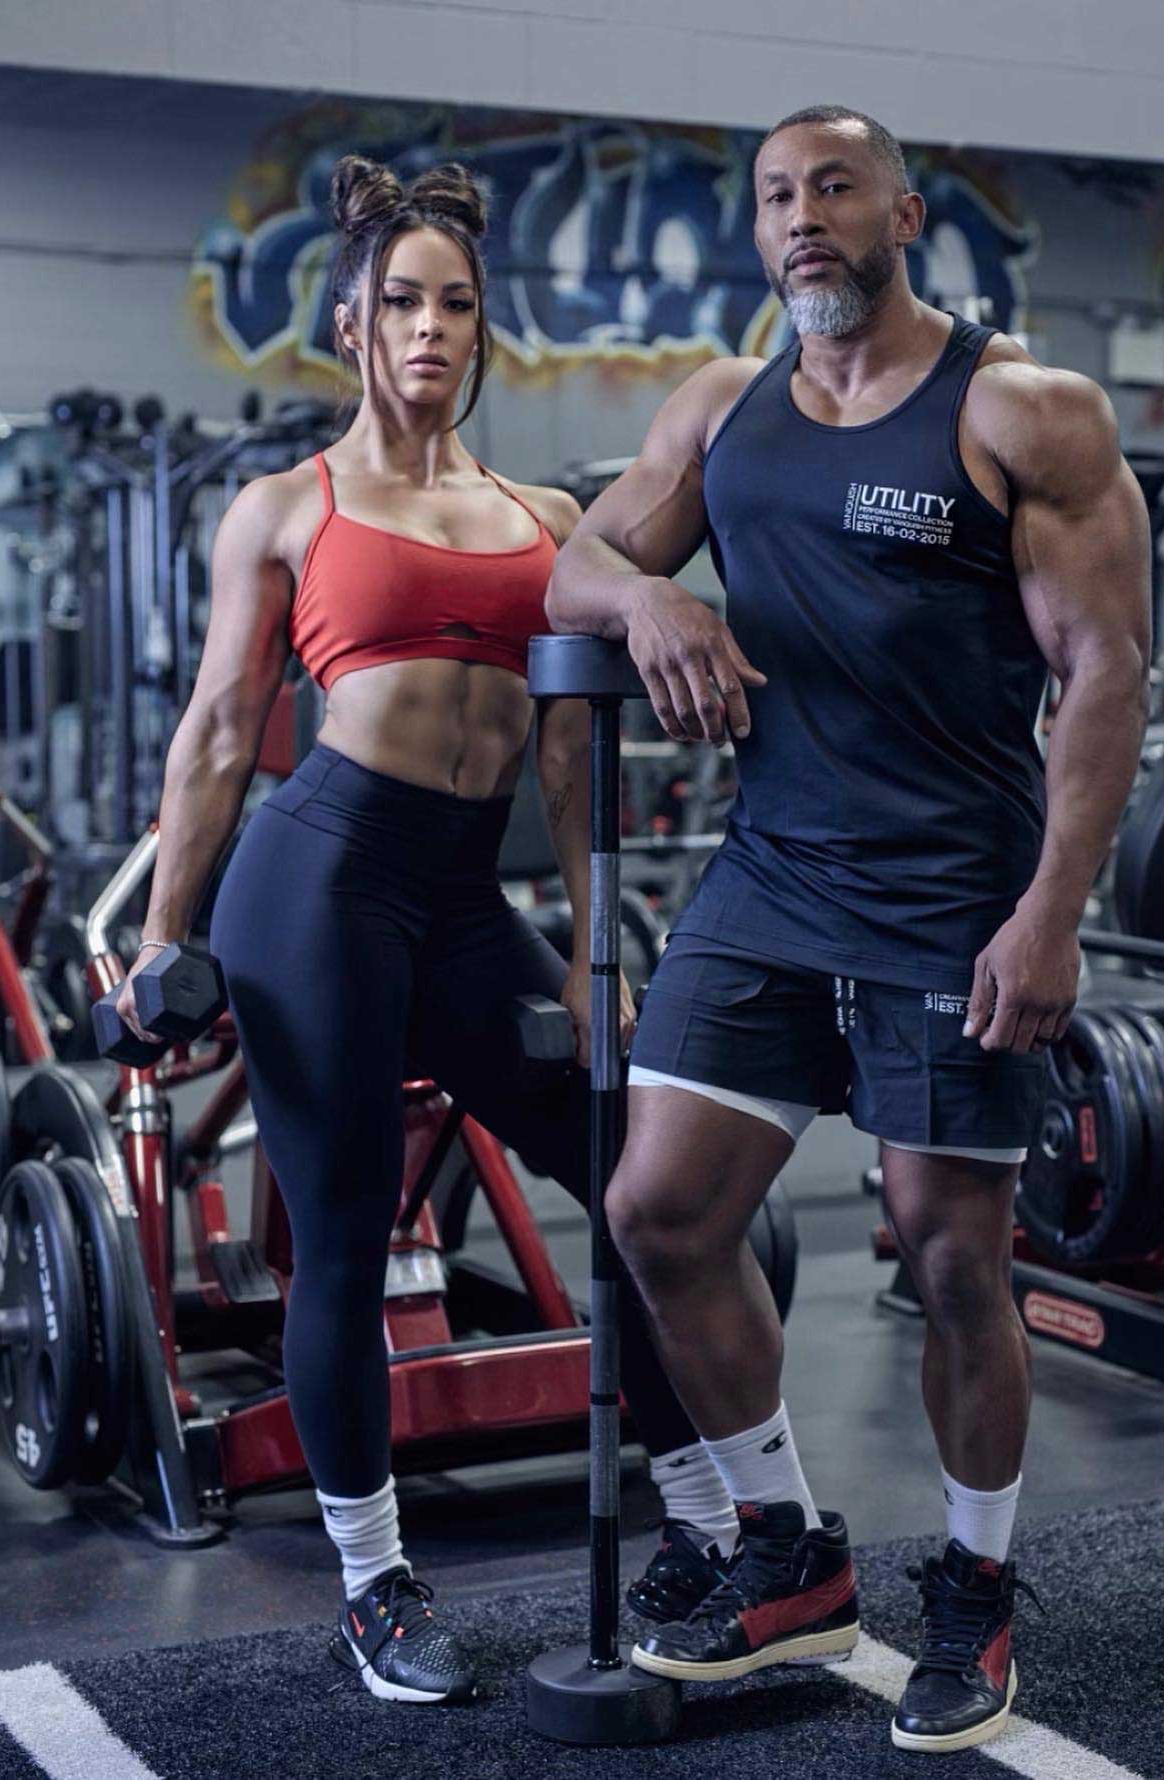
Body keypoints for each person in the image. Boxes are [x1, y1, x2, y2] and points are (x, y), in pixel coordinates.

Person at [546, 105, 1150, 1753]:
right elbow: (576, 565)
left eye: (834, 188)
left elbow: (1107, 673)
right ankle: (788, 1551)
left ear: (902, 209)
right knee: (659, 1209)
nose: (803, 219)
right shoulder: (721, 410)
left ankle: (974, 1584)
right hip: (770, 875)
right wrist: (653, 595)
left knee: (952, 1254)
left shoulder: (1024, 410)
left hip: (957, 894)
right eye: (776, 198)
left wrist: (1051, 917)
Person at [112, 155, 738, 1706]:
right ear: (351, 323)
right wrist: (164, 935)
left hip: (467, 894)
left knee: (636, 1186)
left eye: (459, 302)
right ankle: (377, 1581)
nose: (433, 326)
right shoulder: (288, 507)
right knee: (339, 1228)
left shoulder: (549, 517)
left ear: (483, 333)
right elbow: (214, 733)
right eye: (404, 300)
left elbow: (571, 759)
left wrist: (602, 961)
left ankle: (716, 1523)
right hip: (316, 878)